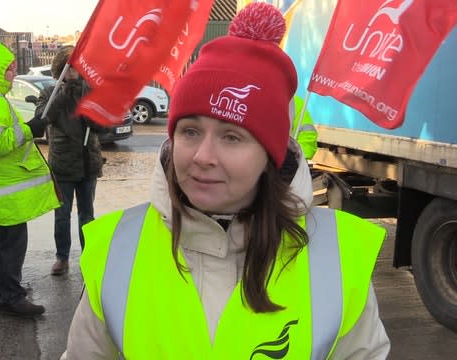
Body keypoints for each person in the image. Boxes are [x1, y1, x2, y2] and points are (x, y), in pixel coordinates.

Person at [62, 3, 390, 359]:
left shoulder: (336, 255)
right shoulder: (116, 249)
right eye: (190, 131)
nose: (202, 155)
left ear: (271, 154)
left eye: (231, 137)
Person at [0, 40, 61, 317]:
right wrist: (32, 129)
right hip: (2, 191)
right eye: (9, 69)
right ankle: (11, 298)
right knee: (10, 244)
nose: (13, 74)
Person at [35, 45, 106, 276]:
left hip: (87, 163)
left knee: (87, 214)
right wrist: (64, 95)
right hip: (62, 165)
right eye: (68, 68)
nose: (73, 72)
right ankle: (62, 258)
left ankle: (88, 257)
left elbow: (101, 126)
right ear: (60, 70)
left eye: (76, 67)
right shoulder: (49, 92)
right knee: (62, 215)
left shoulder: (91, 91)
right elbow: (43, 118)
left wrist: (87, 108)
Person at [290, 94, 318, 160]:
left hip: (287, 159)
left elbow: (308, 132)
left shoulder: (295, 102)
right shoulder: (296, 101)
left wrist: (299, 158)